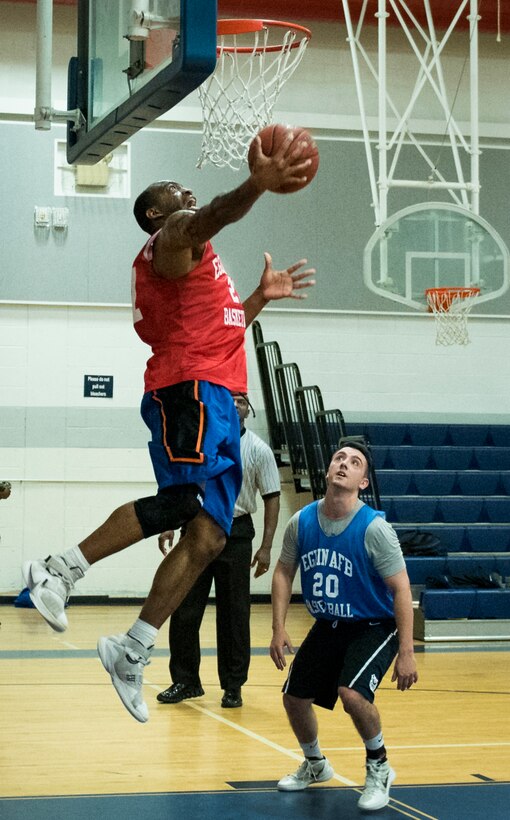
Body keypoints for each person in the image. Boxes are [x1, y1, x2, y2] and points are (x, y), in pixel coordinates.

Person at [22, 132, 315, 723]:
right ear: (155, 214)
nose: (188, 194)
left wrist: (259, 296)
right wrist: (257, 183)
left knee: (209, 536)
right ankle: (57, 570)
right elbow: (204, 218)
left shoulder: (200, 273)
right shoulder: (173, 241)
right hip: (191, 389)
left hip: (219, 398)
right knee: (183, 503)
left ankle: (131, 650)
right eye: (175, 193)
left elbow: (224, 329)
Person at [270, 441, 417, 812]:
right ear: (328, 470)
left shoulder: (374, 529)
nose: (343, 465)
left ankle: (380, 767)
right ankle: (316, 765)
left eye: (354, 463)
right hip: (330, 622)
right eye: (339, 458)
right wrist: (278, 628)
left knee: (352, 695)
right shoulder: (301, 521)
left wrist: (407, 651)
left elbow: (401, 588)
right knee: (294, 698)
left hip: (374, 623)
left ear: (362, 482)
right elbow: (284, 571)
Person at [157, 391, 280, 709]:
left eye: (241, 399)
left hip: (236, 533)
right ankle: (185, 680)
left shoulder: (258, 450)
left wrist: (266, 547)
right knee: (183, 607)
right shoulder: (198, 445)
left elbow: (271, 497)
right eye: (229, 397)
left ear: (248, 410)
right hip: (196, 526)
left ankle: (233, 685)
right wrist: (169, 522)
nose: (234, 403)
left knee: (234, 613)